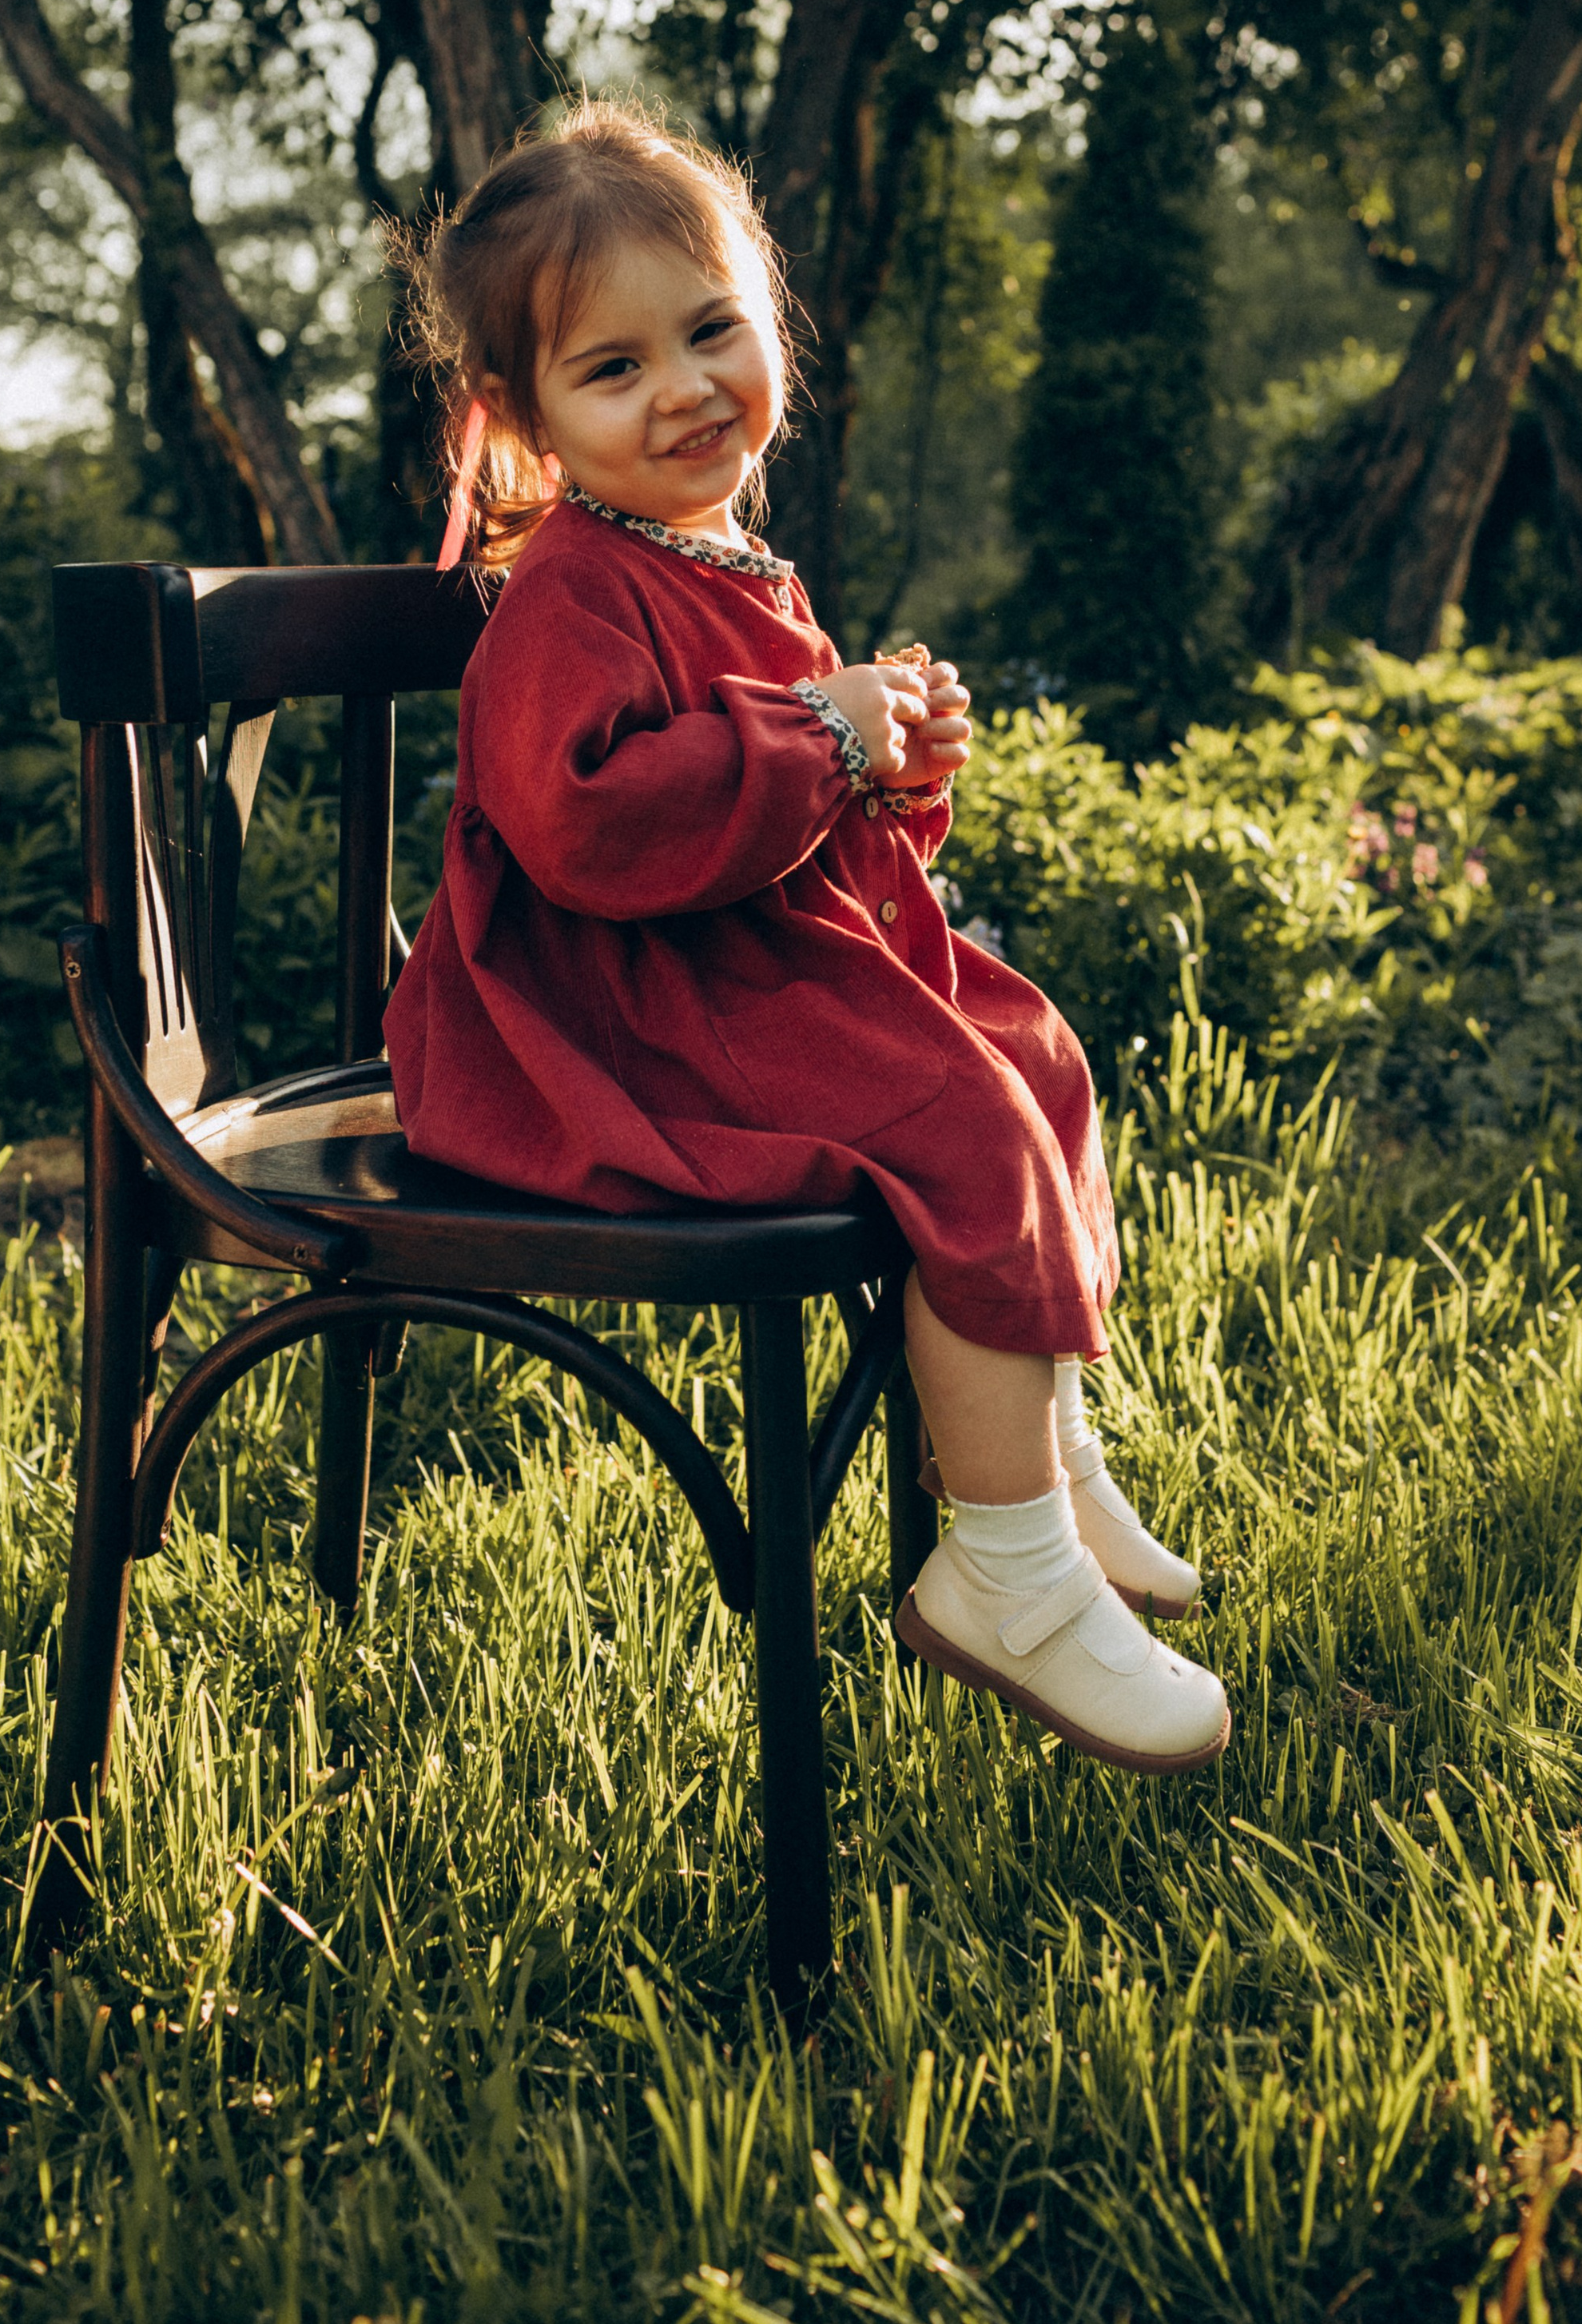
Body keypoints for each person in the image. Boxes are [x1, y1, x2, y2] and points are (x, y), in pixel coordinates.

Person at [385, 100, 1230, 1775]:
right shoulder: (571, 588)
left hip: (722, 964)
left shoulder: (715, 559)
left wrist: (888, 767)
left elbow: (790, 821)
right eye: (610, 368)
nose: (684, 386)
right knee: (960, 1121)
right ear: (524, 421)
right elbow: (583, 826)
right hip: (601, 1013)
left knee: (1028, 1052)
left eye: (709, 329)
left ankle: (1041, 1469)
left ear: (771, 320)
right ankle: (1003, 1581)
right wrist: (816, 736)